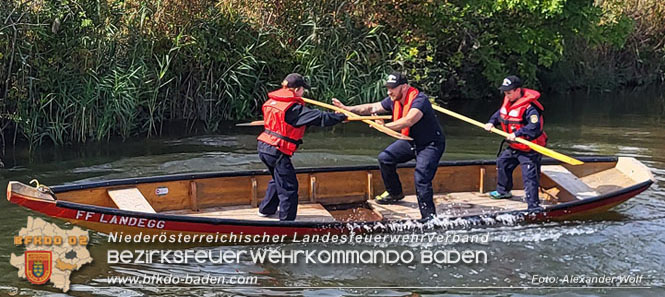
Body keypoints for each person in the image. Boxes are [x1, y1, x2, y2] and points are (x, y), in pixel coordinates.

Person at [332, 72, 445, 219]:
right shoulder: (393, 99)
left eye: (392, 88)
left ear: (404, 87)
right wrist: (348, 109)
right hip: (411, 141)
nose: (389, 92)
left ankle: (429, 218)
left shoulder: (420, 100)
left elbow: (408, 121)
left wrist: (385, 127)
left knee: (421, 178)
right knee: (385, 158)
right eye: (388, 88)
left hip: (430, 144)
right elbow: (371, 108)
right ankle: (395, 193)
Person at [257, 73, 347, 221]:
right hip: (277, 149)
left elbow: (308, 117)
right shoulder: (293, 109)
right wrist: (340, 117)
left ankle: (266, 209)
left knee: (277, 179)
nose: (303, 93)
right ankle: (287, 222)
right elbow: (319, 117)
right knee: (289, 187)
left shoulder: (272, 102)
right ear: (297, 89)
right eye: (302, 90)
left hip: (264, 147)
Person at [484, 75, 547, 211]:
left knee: (529, 176)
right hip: (515, 146)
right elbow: (499, 115)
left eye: (509, 92)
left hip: (530, 149)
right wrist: (491, 123)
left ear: (518, 90)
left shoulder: (531, 108)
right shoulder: (509, 102)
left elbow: (534, 127)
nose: (506, 95)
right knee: (503, 162)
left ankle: (533, 205)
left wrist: (517, 134)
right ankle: (503, 191)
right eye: (505, 92)